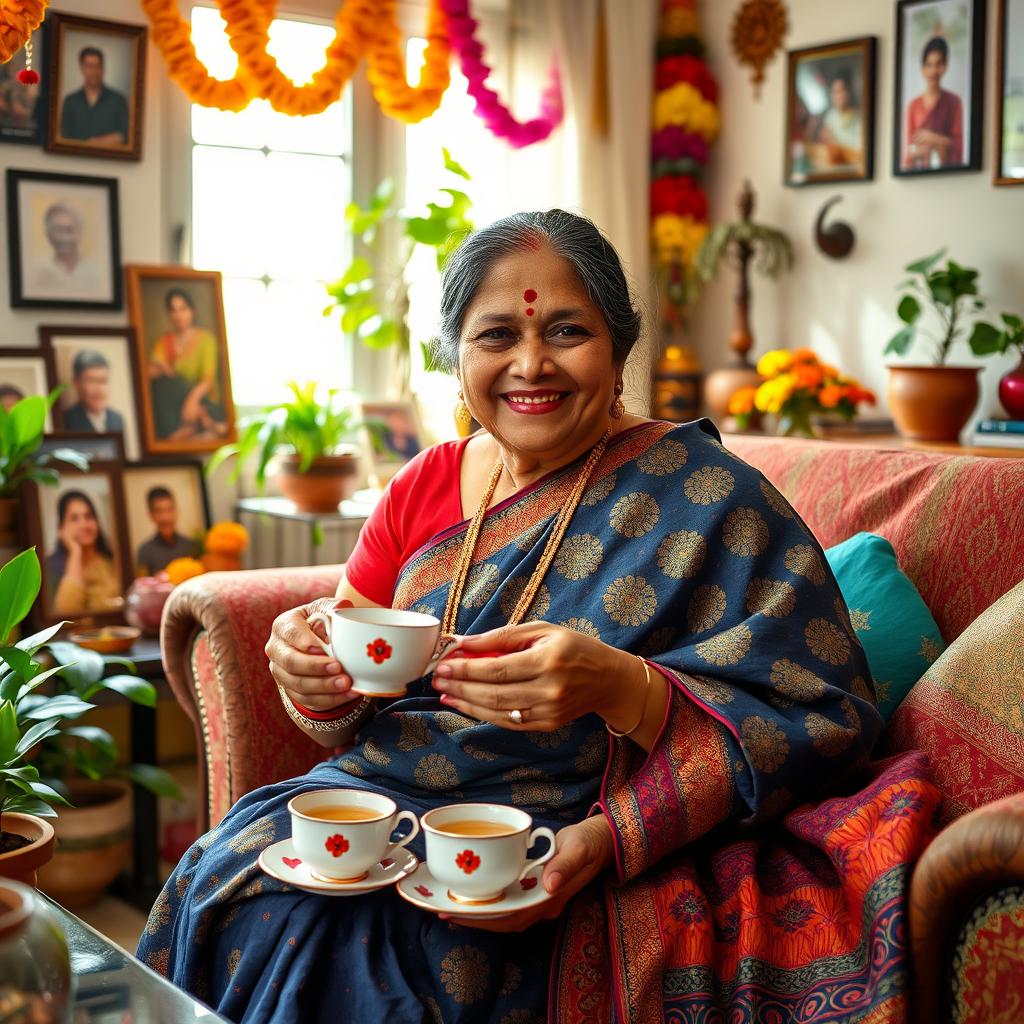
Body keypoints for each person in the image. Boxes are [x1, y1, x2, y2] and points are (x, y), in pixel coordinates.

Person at [138, 211, 936, 1023]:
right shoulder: (424, 483)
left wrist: (621, 690)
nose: (530, 364)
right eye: (495, 336)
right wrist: (308, 674)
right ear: (457, 358)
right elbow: (346, 699)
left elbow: (823, 714)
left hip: (574, 824)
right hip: (382, 800)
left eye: (566, 331)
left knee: (372, 954)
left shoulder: (708, 493)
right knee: (227, 874)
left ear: (618, 352)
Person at [148, 288, 227, 441]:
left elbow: (208, 379)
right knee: (162, 384)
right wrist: (163, 367)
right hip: (174, 401)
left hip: (200, 397)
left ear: (192, 311)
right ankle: (181, 430)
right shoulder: (164, 341)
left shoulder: (206, 339)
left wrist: (192, 401)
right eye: (173, 310)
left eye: (183, 309)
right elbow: (151, 371)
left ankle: (202, 420)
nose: (179, 315)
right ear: (169, 315)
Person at [46, 489, 121, 617]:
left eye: (88, 516)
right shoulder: (50, 568)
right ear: (61, 528)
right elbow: (67, 612)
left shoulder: (112, 560)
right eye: (74, 518)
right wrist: (75, 552)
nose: (84, 524)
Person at [904, 35, 964, 170]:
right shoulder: (914, 105)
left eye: (938, 64)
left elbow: (958, 147)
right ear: (923, 68)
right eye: (929, 65)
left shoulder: (954, 102)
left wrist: (933, 138)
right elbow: (908, 153)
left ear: (945, 66)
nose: (933, 71)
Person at [29, 202, 103, 300]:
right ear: (47, 234)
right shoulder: (37, 271)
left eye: (69, 230)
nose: (64, 237)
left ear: (80, 232)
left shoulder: (96, 271)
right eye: (58, 230)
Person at [59, 45, 128, 146]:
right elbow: (63, 138)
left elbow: (124, 136)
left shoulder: (118, 100)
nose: (94, 71)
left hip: (109, 160)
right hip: (74, 160)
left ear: (103, 69)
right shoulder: (70, 101)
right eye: (89, 66)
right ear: (82, 68)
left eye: (98, 66)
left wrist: (95, 143)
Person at [136, 486, 199, 575]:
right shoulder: (145, 551)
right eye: (159, 511)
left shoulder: (191, 545)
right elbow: (142, 583)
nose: (165, 517)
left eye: (169, 509)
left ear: (176, 511)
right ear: (151, 515)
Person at [62, 350, 125, 434]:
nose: (99, 390)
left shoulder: (116, 419)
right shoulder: (66, 420)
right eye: (91, 381)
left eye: (103, 381)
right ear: (76, 382)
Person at [817, 68, 864, 170]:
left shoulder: (860, 118)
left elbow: (859, 154)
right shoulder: (830, 117)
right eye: (835, 92)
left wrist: (835, 143)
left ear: (849, 92)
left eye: (842, 90)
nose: (839, 96)